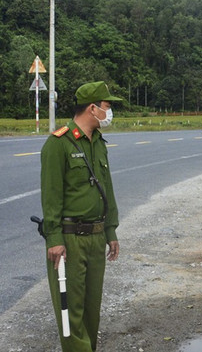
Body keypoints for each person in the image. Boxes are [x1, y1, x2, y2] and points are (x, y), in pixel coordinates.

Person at [40, 81, 122, 351]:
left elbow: (106, 188)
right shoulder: (58, 144)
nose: (110, 112)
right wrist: (54, 238)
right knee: (71, 313)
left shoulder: (99, 143)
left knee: (91, 311)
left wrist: (111, 231)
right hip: (69, 239)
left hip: (96, 238)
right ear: (92, 108)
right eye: (107, 106)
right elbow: (51, 196)